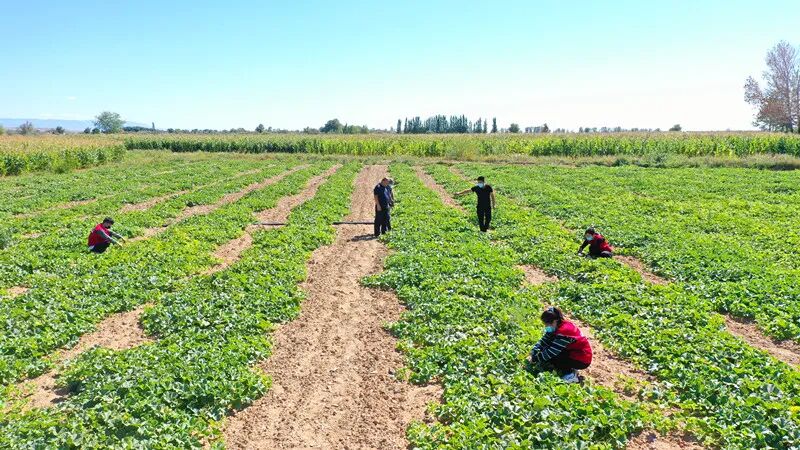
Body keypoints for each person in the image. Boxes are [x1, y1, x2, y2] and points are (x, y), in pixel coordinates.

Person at [526, 306, 592, 383]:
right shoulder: (559, 325)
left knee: (554, 358)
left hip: (582, 359)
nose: (546, 327)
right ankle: (570, 366)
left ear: (555, 321)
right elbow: (545, 339)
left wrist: (535, 359)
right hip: (574, 352)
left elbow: (552, 352)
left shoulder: (564, 331)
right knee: (548, 351)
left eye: (547, 324)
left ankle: (571, 375)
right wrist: (534, 350)